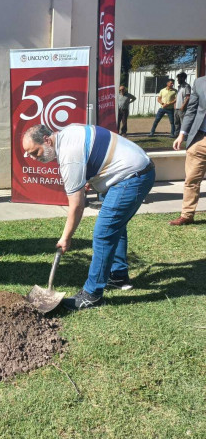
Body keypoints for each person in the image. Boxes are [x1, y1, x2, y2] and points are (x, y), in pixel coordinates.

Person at [22, 124, 155, 310]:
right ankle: (118, 275)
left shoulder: (69, 156)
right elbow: (93, 153)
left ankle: (92, 294)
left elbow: (76, 205)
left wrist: (65, 238)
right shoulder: (68, 133)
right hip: (137, 169)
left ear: (46, 140)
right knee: (115, 225)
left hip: (131, 177)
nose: (35, 158)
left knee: (104, 233)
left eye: (35, 152)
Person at [170, 75, 206, 226]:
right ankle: (187, 215)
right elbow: (191, 110)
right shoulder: (199, 82)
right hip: (199, 138)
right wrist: (182, 134)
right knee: (191, 179)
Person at [173, 71, 191, 138]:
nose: (177, 80)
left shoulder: (186, 86)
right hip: (177, 108)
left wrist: (183, 106)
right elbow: (177, 96)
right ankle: (176, 134)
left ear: (183, 78)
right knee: (176, 122)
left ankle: (185, 136)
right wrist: (175, 104)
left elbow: (188, 97)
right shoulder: (179, 86)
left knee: (183, 122)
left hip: (182, 108)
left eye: (179, 78)